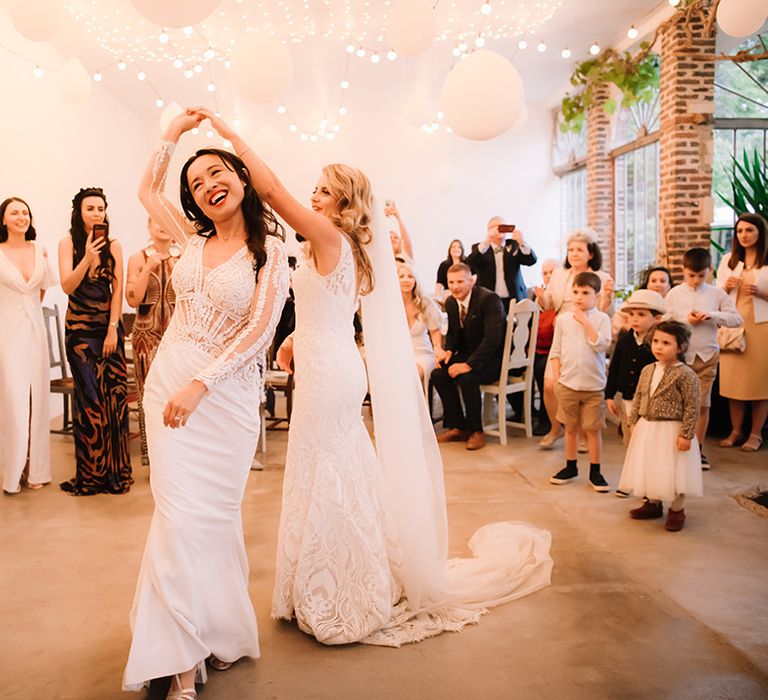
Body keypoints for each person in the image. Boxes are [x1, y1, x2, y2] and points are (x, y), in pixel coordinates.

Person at [197, 112, 551, 647]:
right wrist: (296, 338)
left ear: (343, 202)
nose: (312, 198)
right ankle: (324, 580)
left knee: (332, 473)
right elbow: (330, 308)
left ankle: (345, 589)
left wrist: (231, 137)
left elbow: (268, 190)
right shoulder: (341, 244)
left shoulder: (327, 233)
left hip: (332, 373)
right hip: (327, 359)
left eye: (322, 191)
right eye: (313, 190)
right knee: (330, 469)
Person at [123, 110, 289, 698]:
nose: (207, 186)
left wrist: (204, 383)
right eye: (195, 184)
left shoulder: (273, 249)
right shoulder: (187, 242)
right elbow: (146, 189)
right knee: (177, 518)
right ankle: (180, 658)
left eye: (216, 173)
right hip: (169, 387)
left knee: (212, 521)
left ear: (241, 179)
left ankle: (216, 631)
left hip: (226, 401)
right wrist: (170, 135)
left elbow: (259, 330)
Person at [58, 187, 132, 496]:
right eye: (90, 208)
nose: (97, 213)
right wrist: (87, 258)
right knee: (89, 402)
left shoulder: (114, 245)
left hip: (108, 330)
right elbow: (67, 286)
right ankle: (91, 476)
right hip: (79, 333)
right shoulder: (68, 243)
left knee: (115, 400)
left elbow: (118, 290)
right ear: (79, 212)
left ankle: (115, 476)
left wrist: (114, 329)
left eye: (101, 208)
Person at [618, 321, 702, 532]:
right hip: (648, 427)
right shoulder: (648, 369)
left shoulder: (686, 374)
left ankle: (676, 510)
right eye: (656, 341)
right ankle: (652, 503)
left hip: (672, 429)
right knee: (651, 466)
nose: (658, 346)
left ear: (680, 347)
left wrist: (686, 434)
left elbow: (693, 406)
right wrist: (633, 420)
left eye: (666, 343)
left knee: (673, 470)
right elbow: (639, 396)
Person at [534, 229, 614, 449]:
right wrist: (541, 297)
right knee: (550, 385)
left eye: (579, 250)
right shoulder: (560, 274)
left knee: (581, 386)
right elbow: (549, 303)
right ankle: (555, 427)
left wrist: (607, 295)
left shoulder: (602, 277)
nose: (574, 254)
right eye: (570, 250)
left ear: (591, 253)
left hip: (587, 330)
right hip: (563, 329)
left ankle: (580, 434)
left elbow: (606, 312)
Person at [664, 247, 741, 468]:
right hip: (680, 356)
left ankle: (697, 449)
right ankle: (679, 445)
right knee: (678, 404)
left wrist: (713, 316)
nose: (696, 280)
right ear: (683, 271)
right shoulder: (674, 293)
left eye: (701, 275)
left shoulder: (717, 294)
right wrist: (686, 320)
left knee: (702, 405)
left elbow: (736, 319)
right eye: (691, 275)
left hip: (707, 355)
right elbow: (666, 322)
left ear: (710, 270)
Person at [0, 197, 57, 494]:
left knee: (38, 399)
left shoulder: (40, 250)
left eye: (25, 212)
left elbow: (43, 287)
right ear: (4, 220)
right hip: (6, 333)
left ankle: (37, 470)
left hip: (34, 329)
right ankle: (11, 472)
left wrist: (30, 311)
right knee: (12, 401)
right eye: (15, 213)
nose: (22, 217)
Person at [548, 272, 612, 492]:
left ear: (596, 295)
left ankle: (595, 471)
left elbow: (600, 345)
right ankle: (570, 466)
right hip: (568, 384)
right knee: (570, 428)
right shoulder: (563, 320)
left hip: (594, 386)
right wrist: (557, 379)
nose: (579, 297)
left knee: (593, 430)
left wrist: (586, 323)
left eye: (585, 293)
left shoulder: (602, 319)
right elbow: (555, 351)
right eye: (576, 292)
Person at [125, 218, 181, 466]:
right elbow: (133, 299)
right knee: (148, 395)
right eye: (157, 221)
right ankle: (151, 454)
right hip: (146, 337)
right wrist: (148, 267)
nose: (163, 226)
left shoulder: (184, 257)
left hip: (177, 336)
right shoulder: (138, 258)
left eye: (166, 221)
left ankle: (176, 451)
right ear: (148, 226)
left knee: (176, 393)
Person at [431, 263, 505, 451]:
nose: (455, 287)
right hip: (467, 354)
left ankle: (476, 431)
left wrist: (469, 365)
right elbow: (454, 337)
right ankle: (458, 426)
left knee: (466, 377)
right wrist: (448, 351)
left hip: (491, 359)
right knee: (438, 374)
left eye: (460, 282)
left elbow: (492, 339)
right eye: (451, 282)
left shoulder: (489, 299)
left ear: (472, 280)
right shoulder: (450, 302)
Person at [605, 290, 665, 497]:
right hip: (628, 400)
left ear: (656, 318)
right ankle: (629, 482)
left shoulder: (658, 344)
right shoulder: (625, 340)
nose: (634, 319)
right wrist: (609, 395)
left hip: (651, 405)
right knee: (630, 443)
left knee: (647, 446)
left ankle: (649, 485)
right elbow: (614, 367)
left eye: (641, 314)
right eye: (631, 314)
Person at [716, 213, 768, 452]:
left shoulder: (767, 260)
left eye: (749, 230)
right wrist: (725, 288)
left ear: (760, 233)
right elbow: (716, 295)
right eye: (740, 231)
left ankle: (756, 434)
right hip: (733, 326)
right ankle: (736, 430)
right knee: (733, 383)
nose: (744, 235)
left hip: (761, 327)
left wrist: (761, 293)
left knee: (759, 383)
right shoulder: (729, 260)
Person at [467, 216, 537, 311]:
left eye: (502, 226)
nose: (499, 229)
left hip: (514, 298)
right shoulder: (481, 247)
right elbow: (470, 262)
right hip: (489, 299)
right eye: (495, 227)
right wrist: (487, 241)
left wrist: (522, 242)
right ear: (489, 230)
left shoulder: (514, 245)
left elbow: (531, 261)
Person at [398, 261, 446, 393]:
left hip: (422, 354)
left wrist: (437, 348)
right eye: (401, 276)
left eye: (410, 276)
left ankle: (417, 412)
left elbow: (435, 330)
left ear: (415, 280)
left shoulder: (425, 302)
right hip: (399, 355)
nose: (406, 280)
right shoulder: (392, 306)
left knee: (411, 375)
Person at [530, 259, 558, 436]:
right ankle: (524, 412)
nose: (548, 276)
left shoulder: (562, 295)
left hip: (553, 349)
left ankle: (546, 419)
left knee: (541, 369)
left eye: (551, 272)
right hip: (535, 347)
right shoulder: (538, 295)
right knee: (513, 367)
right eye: (545, 273)